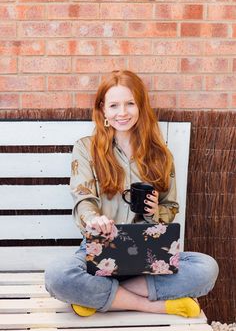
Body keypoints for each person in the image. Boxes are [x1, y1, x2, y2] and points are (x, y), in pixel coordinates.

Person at [45, 70, 219, 318]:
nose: (122, 113)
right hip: (100, 246)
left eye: (130, 104)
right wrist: (94, 221)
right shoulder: (86, 148)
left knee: (206, 268)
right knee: (57, 276)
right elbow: (83, 199)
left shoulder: (160, 154)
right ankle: (153, 305)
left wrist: (155, 211)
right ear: (103, 109)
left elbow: (171, 207)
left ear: (140, 107)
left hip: (149, 252)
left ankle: (98, 296)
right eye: (114, 105)